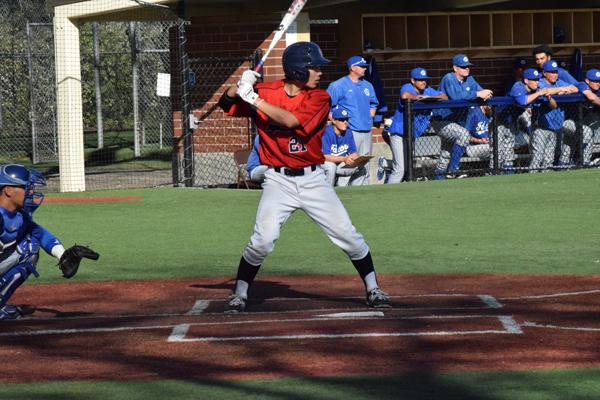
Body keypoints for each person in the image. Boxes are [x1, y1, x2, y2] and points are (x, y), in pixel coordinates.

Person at [217, 42, 390, 313]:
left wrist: (252, 98)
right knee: (262, 240)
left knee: (348, 235)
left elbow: (291, 121)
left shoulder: (320, 98)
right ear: (298, 70)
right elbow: (225, 104)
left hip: (313, 180)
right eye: (314, 67)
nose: (320, 72)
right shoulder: (267, 91)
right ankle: (239, 294)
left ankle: (373, 288)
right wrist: (238, 86)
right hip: (278, 180)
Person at [0, 164, 98, 320]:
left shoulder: (19, 217)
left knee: (30, 245)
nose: (30, 192)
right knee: (28, 247)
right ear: (8, 190)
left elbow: (41, 234)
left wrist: (63, 255)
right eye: (26, 187)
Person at [381, 67, 447, 183]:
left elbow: (444, 97)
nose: (423, 82)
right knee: (400, 169)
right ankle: (389, 192)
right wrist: (418, 98)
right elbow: (405, 96)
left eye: (424, 79)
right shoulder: (407, 87)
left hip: (411, 134)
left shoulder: (427, 90)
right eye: (420, 79)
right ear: (413, 80)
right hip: (398, 133)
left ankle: (386, 163)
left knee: (408, 167)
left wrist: (430, 98)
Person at [435, 54, 494, 179]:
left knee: (446, 154)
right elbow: (456, 96)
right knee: (464, 135)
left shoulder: (470, 79)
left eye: (467, 66)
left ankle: (438, 180)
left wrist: (486, 93)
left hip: (455, 122)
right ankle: (453, 170)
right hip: (441, 121)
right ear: (455, 68)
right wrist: (478, 93)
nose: (466, 69)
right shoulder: (449, 78)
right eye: (463, 67)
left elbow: (482, 92)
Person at [327, 56, 379, 184]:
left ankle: (361, 194)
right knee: (349, 164)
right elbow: (327, 107)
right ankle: (343, 190)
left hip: (366, 130)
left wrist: (369, 116)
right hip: (350, 131)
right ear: (352, 68)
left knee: (364, 164)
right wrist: (336, 123)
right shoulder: (338, 85)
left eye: (365, 66)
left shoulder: (367, 85)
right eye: (362, 66)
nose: (365, 69)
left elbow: (373, 104)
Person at [529, 61, 578, 170]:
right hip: (540, 128)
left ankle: (545, 183)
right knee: (537, 158)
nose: (554, 74)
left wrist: (567, 91)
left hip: (556, 127)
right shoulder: (540, 82)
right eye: (551, 72)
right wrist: (562, 89)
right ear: (544, 73)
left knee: (548, 160)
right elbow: (545, 91)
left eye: (556, 72)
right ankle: (531, 180)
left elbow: (576, 88)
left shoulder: (559, 82)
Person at [559, 68, 600, 166]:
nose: (598, 83)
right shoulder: (582, 85)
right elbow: (591, 97)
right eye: (595, 81)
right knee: (585, 132)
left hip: (581, 122)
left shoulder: (598, 89)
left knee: (576, 137)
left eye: (599, 81)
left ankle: (565, 163)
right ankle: (582, 162)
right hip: (567, 121)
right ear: (587, 81)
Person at [322, 105, 367, 186]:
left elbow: (353, 152)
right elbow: (325, 157)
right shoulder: (326, 133)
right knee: (331, 167)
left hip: (339, 164)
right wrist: (344, 159)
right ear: (334, 121)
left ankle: (354, 193)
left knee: (361, 168)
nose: (345, 122)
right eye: (342, 120)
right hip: (323, 165)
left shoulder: (348, 132)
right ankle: (328, 194)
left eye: (346, 119)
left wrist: (358, 159)